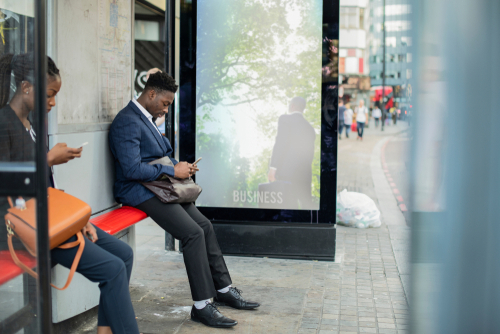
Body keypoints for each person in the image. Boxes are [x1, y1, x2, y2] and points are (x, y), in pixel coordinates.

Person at [0, 53, 140, 334]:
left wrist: (77, 220)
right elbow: (6, 182)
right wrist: (48, 159)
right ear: (26, 88)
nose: (52, 103)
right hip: (22, 225)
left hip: (48, 216)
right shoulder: (4, 123)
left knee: (123, 255)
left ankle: (105, 330)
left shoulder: (31, 125)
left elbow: (45, 186)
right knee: (112, 270)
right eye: (49, 95)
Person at [108, 71, 260, 329]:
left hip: (159, 186)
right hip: (138, 190)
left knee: (205, 227)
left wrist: (181, 167)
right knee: (192, 234)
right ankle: (201, 306)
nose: (166, 110)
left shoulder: (146, 118)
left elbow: (162, 155)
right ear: (151, 93)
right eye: (165, 104)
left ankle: (223, 288)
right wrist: (171, 171)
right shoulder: (127, 121)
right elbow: (132, 169)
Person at [267, 97, 316, 209]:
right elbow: (310, 155)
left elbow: (280, 143)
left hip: (286, 174)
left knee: (287, 206)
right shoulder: (310, 129)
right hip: (305, 174)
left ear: (292, 106)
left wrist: (272, 169)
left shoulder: (285, 119)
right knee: (306, 206)